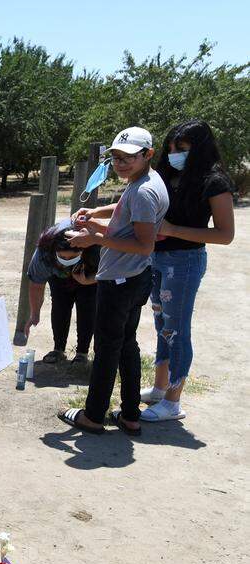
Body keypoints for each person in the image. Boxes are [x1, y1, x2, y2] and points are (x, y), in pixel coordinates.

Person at [58, 127, 168, 436]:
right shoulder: (144, 182)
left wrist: (93, 237)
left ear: (147, 154)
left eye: (128, 158)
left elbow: (144, 244)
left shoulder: (144, 191)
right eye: (116, 158)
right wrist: (95, 212)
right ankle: (130, 415)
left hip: (122, 280)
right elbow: (124, 213)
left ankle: (93, 416)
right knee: (125, 345)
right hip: (134, 277)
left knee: (107, 349)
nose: (120, 164)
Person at [140, 120, 236, 422]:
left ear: (199, 148)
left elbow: (225, 234)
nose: (173, 153)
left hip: (184, 263)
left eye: (180, 148)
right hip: (157, 259)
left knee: (177, 329)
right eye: (170, 147)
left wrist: (174, 229)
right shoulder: (168, 175)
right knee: (161, 325)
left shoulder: (214, 181)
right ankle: (160, 387)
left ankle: (173, 401)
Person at [23, 218, 100, 363]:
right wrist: (35, 314)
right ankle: (58, 349)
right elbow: (36, 285)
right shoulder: (43, 254)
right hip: (58, 276)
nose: (66, 260)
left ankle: (82, 353)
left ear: (82, 250)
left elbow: (108, 272)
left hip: (88, 274)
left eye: (72, 257)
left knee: (87, 308)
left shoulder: (95, 247)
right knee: (59, 305)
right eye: (62, 256)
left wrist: (87, 280)